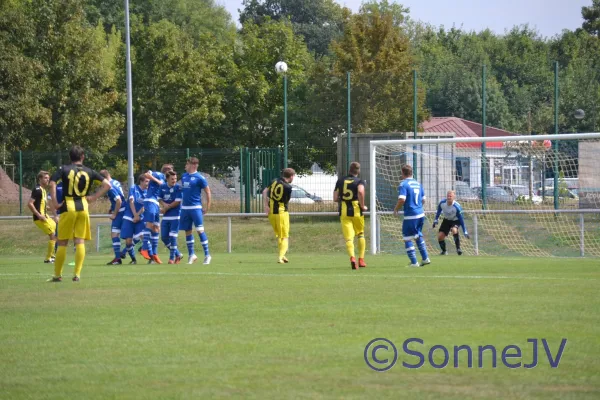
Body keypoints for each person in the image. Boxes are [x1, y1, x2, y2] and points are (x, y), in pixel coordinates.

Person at [48, 145, 111, 282]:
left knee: (62, 242)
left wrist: (55, 202)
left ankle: (58, 275)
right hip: (83, 207)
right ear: (83, 157)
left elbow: (52, 183)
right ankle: (77, 274)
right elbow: (107, 185)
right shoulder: (90, 171)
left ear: (70, 157)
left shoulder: (64, 169)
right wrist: (94, 197)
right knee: (79, 241)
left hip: (68, 206)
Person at [393, 164, 430, 267]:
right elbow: (423, 200)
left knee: (407, 237)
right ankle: (425, 258)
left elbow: (402, 199)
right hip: (420, 214)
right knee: (418, 235)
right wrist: (417, 207)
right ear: (411, 172)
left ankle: (414, 262)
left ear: (402, 173)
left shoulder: (404, 184)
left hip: (411, 215)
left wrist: (396, 209)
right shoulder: (418, 184)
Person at [333, 162, 367, 270]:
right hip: (356, 210)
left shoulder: (340, 180)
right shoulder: (360, 181)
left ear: (349, 170)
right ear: (358, 171)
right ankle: (361, 259)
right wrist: (362, 205)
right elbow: (361, 192)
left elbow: (334, 198)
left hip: (344, 210)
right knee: (360, 234)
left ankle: (352, 257)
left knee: (348, 238)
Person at [180, 157, 212, 265]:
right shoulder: (184, 176)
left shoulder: (200, 178)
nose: (186, 165)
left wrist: (207, 206)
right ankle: (191, 255)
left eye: (188, 164)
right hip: (185, 209)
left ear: (194, 165)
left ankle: (207, 255)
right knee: (187, 231)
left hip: (196, 208)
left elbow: (208, 192)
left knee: (200, 230)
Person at [262, 168, 295, 264]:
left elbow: (264, 192)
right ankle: (280, 257)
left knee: (279, 236)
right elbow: (286, 201)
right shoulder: (288, 187)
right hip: (281, 213)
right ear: (292, 176)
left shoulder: (274, 180)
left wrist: (265, 206)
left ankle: (283, 255)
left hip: (271, 212)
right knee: (284, 236)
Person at [140, 164, 172, 264]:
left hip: (156, 204)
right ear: (166, 171)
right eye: (170, 172)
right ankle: (144, 248)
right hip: (150, 201)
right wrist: (156, 180)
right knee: (149, 224)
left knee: (156, 228)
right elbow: (147, 174)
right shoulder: (159, 174)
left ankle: (154, 253)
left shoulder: (166, 182)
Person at [28, 171, 57, 263]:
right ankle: (48, 258)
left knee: (56, 231)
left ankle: (52, 256)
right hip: (40, 218)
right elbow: (30, 204)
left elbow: (43, 206)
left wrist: (54, 209)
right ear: (40, 179)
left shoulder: (43, 190)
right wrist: (39, 215)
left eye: (48, 178)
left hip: (45, 216)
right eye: (45, 178)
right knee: (52, 235)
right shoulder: (37, 190)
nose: (47, 179)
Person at [120, 174, 149, 265]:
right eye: (146, 181)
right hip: (129, 216)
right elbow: (131, 201)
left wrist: (138, 215)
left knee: (144, 237)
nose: (148, 183)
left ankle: (151, 257)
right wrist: (134, 214)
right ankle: (133, 259)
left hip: (140, 218)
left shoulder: (148, 192)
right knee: (128, 240)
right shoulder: (134, 188)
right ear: (141, 181)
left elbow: (144, 206)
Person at [100, 170, 126, 265]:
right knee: (130, 234)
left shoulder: (109, 187)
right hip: (124, 209)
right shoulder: (115, 181)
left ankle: (118, 258)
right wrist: (112, 208)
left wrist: (114, 213)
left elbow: (118, 200)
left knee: (115, 234)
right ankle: (122, 254)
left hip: (120, 212)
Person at [433, 190, 469, 255]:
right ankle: (444, 251)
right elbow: (438, 211)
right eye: (448, 196)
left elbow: (461, 220)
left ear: (454, 197)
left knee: (454, 230)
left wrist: (465, 231)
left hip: (455, 220)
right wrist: (436, 220)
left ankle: (458, 249)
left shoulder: (457, 207)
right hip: (446, 220)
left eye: (450, 196)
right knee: (440, 237)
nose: (449, 197)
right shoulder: (442, 203)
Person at [158, 170, 183, 264]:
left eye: (176, 178)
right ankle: (178, 254)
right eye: (172, 179)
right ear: (167, 179)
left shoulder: (178, 187)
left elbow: (177, 201)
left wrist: (166, 208)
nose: (174, 180)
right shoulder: (162, 186)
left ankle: (172, 258)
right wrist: (164, 205)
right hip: (166, 216)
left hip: (176, 216)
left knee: (172, 237)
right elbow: (159, 198)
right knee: (164, 237)